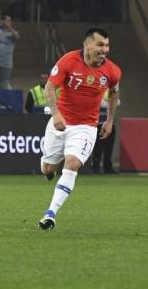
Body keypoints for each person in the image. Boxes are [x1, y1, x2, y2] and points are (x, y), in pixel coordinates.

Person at [38, 28, 122, 230]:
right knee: (48, 169)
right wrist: (56, 113)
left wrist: (110, 120)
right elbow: (50, 87)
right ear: (87, 45)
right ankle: (48, 164)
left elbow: (113, 94)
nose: (105, 50)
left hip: (86, 127)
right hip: (61, 122)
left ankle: (50, 214)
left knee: (73, 163)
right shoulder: (69, 60)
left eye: (107, 46)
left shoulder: (112, 71)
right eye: (100, 45)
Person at [91, 90, 118, 174]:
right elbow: (99, 104)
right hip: (98, 125)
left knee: (109, 148)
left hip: (110, 125)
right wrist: (110, 104)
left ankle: (108, 167)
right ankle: (95, 167)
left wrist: (109, 104)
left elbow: (118, 102)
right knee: (97, 148)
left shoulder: (110, 91)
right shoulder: (96, 91)